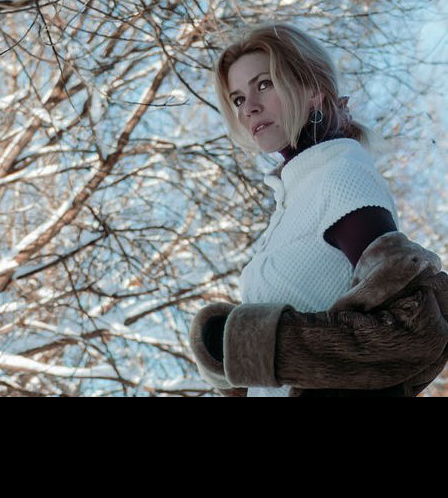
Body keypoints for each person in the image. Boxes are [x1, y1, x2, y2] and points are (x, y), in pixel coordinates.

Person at [189, 23, 448, 397]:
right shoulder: (294, 196)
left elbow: (414, 328)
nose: (250, 108)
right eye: (238, 99)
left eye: (264, 84)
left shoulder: (341, 176)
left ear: (313, 89)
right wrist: (236, 361)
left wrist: (264, 344)